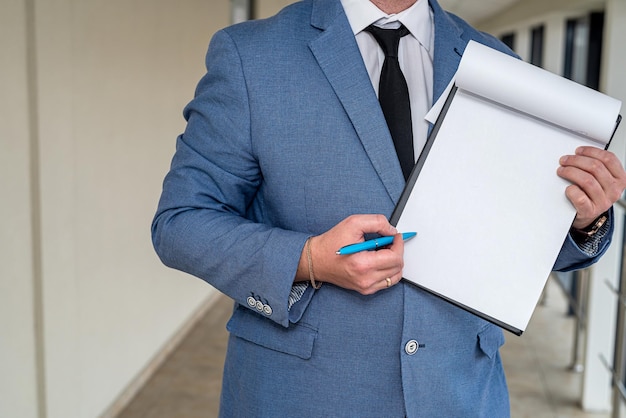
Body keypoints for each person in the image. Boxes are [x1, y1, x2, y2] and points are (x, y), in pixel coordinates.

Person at [151, 0, 626, 416]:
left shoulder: (497, 61)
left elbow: (524, 235)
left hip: (461, 396)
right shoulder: (251, 56)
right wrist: (310, 260)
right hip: (304, 396)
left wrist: (585, 219)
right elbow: (180, 223)